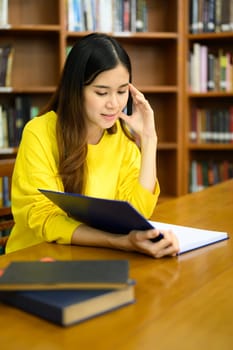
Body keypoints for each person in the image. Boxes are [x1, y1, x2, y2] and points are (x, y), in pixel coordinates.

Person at [6, 33, 179, 258]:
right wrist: (120, 241)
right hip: (36, 261)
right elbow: (45, 219)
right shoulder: (38, 133)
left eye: (121, 91)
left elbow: (139, 212)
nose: (114, 103)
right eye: (101, 92)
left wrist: (149, 138)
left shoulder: (122, 139)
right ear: (76, 90)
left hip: (91, 256)